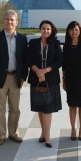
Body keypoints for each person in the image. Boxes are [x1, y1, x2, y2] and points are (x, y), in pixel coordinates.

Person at [0, 10, 28, 145]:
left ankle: (13, 133)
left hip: (16, 77)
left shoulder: (22, 39)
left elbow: (24, 60)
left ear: (16, 22)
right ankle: (1, 135)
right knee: (0, 109)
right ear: (3, 21)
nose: (9, 22)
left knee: (15, 108)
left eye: (12, 20)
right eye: (7, 19)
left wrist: (23, 76)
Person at [27, 20, 62, 148]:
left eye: (48, 29)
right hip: (36, 80)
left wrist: (45, 71)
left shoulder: (56, 43)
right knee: (40, 107)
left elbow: (59, 61)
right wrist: (38, 71)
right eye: (43, 28)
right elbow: (28, 58)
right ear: (40, 29)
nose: (45, 31)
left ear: (51, 30)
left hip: (51, 80)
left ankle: (47, 136)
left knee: (48, 109)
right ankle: (43, 132)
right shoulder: (33, 43)